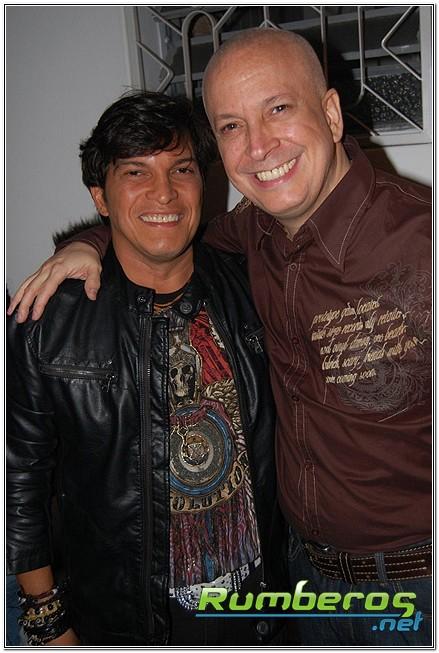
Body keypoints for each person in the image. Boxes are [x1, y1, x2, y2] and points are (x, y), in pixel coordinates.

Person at [9, 28, 432, 646]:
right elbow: (21, 477)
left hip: (413, 590)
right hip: (298, 588)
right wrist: (86, 242)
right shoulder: (251, 236)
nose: (259, 146)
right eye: (232, 125)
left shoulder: (422, 245)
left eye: (278, 108)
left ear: (332, 113)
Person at [7, 90, 288, 646]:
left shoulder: (252, 284)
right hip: (126, 619)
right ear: (101, 196)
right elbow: (20, 479)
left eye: (181, 169)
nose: (164, 192)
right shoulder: (48, 320)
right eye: (136, 172)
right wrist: (46, 617)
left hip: (263, 608)